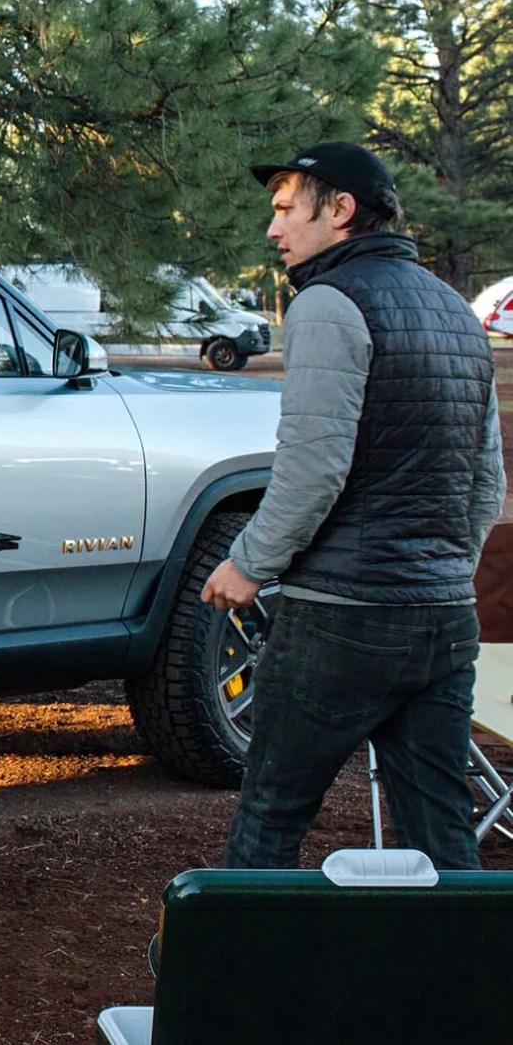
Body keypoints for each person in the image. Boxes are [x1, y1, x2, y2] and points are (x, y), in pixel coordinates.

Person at [201, 141, 505, 870]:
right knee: (441, 834)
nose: (273, 228)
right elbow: (485, 481)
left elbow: (313, 470)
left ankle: (242, 952)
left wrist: (248, 563)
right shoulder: (454, 309)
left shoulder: (327, 302)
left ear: (339, 210)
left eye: (285, 210)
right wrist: (440, 574)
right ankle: (465, 953)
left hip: (340, 619)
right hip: (442, 617)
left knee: (271, 817)